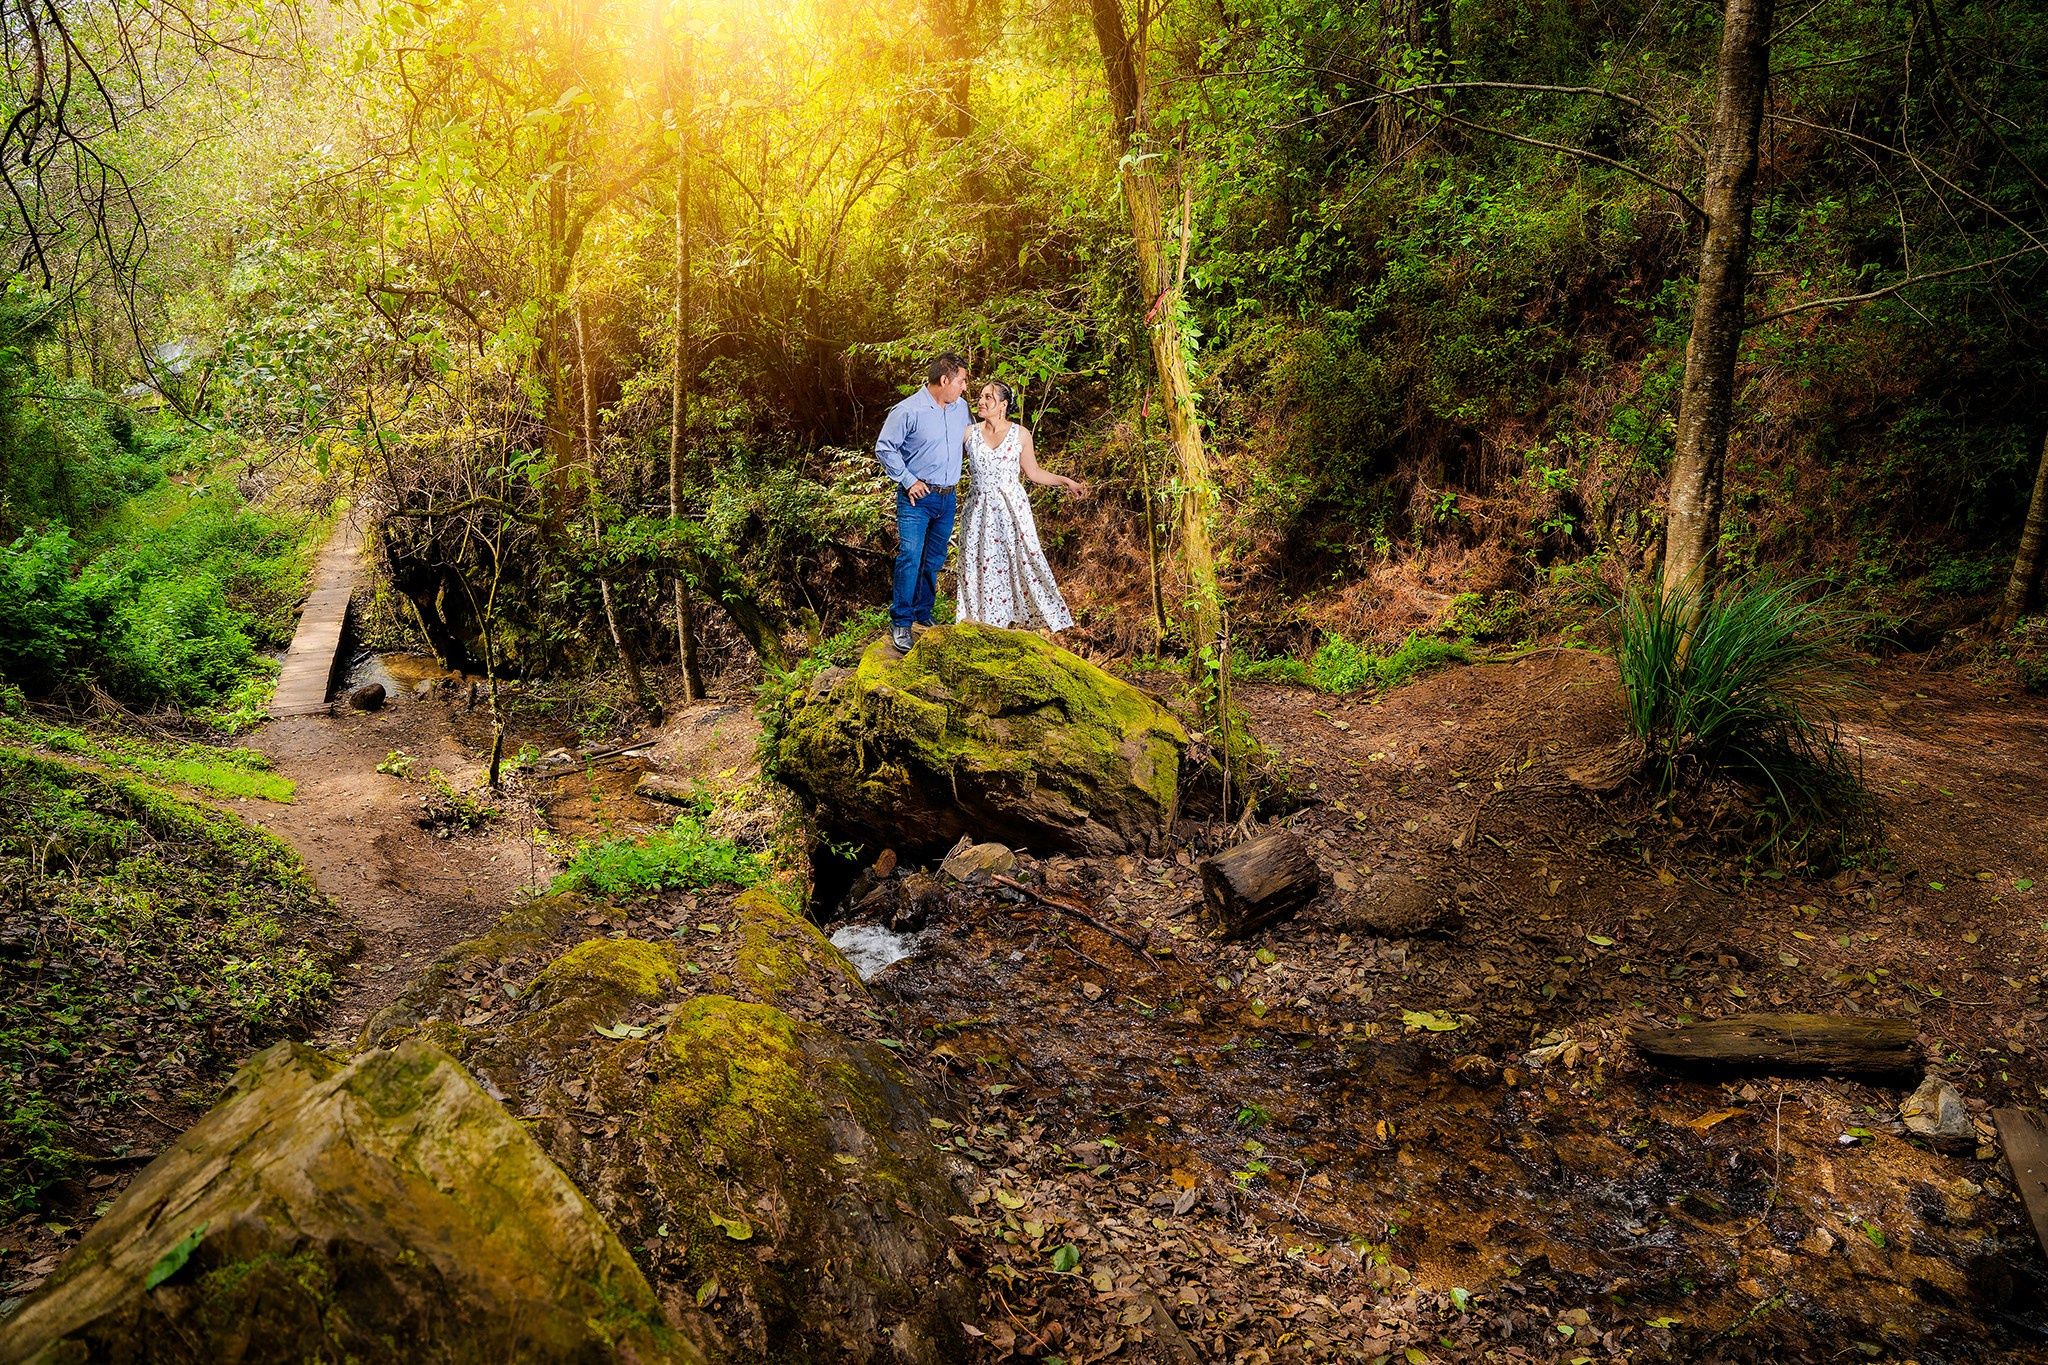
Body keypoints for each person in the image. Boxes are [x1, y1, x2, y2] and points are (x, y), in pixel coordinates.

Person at [956, 379, 1088, 632]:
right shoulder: (968, 433)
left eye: (988, 398)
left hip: (1011, 510)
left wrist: (1065, 481)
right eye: (981, 396)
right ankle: (981, 626)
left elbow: (1034, 472)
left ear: (1003, 405)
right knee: (978, 564)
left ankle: (1025, 621)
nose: (981, 402)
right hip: (978, 512)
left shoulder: (1020, 434)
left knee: (1022, 560)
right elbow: (947, 461)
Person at [875, 354, 972, 652]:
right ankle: (901, 622)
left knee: (933, 560)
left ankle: (921, 613)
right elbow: (885, 447)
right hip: (917, 498)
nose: (965, 387)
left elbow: (972, 439)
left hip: (948, 497)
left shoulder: (961, 408)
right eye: (961, 381)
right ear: (944, 381)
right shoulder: (908, 411)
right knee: (910, 557)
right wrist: (908, 480)